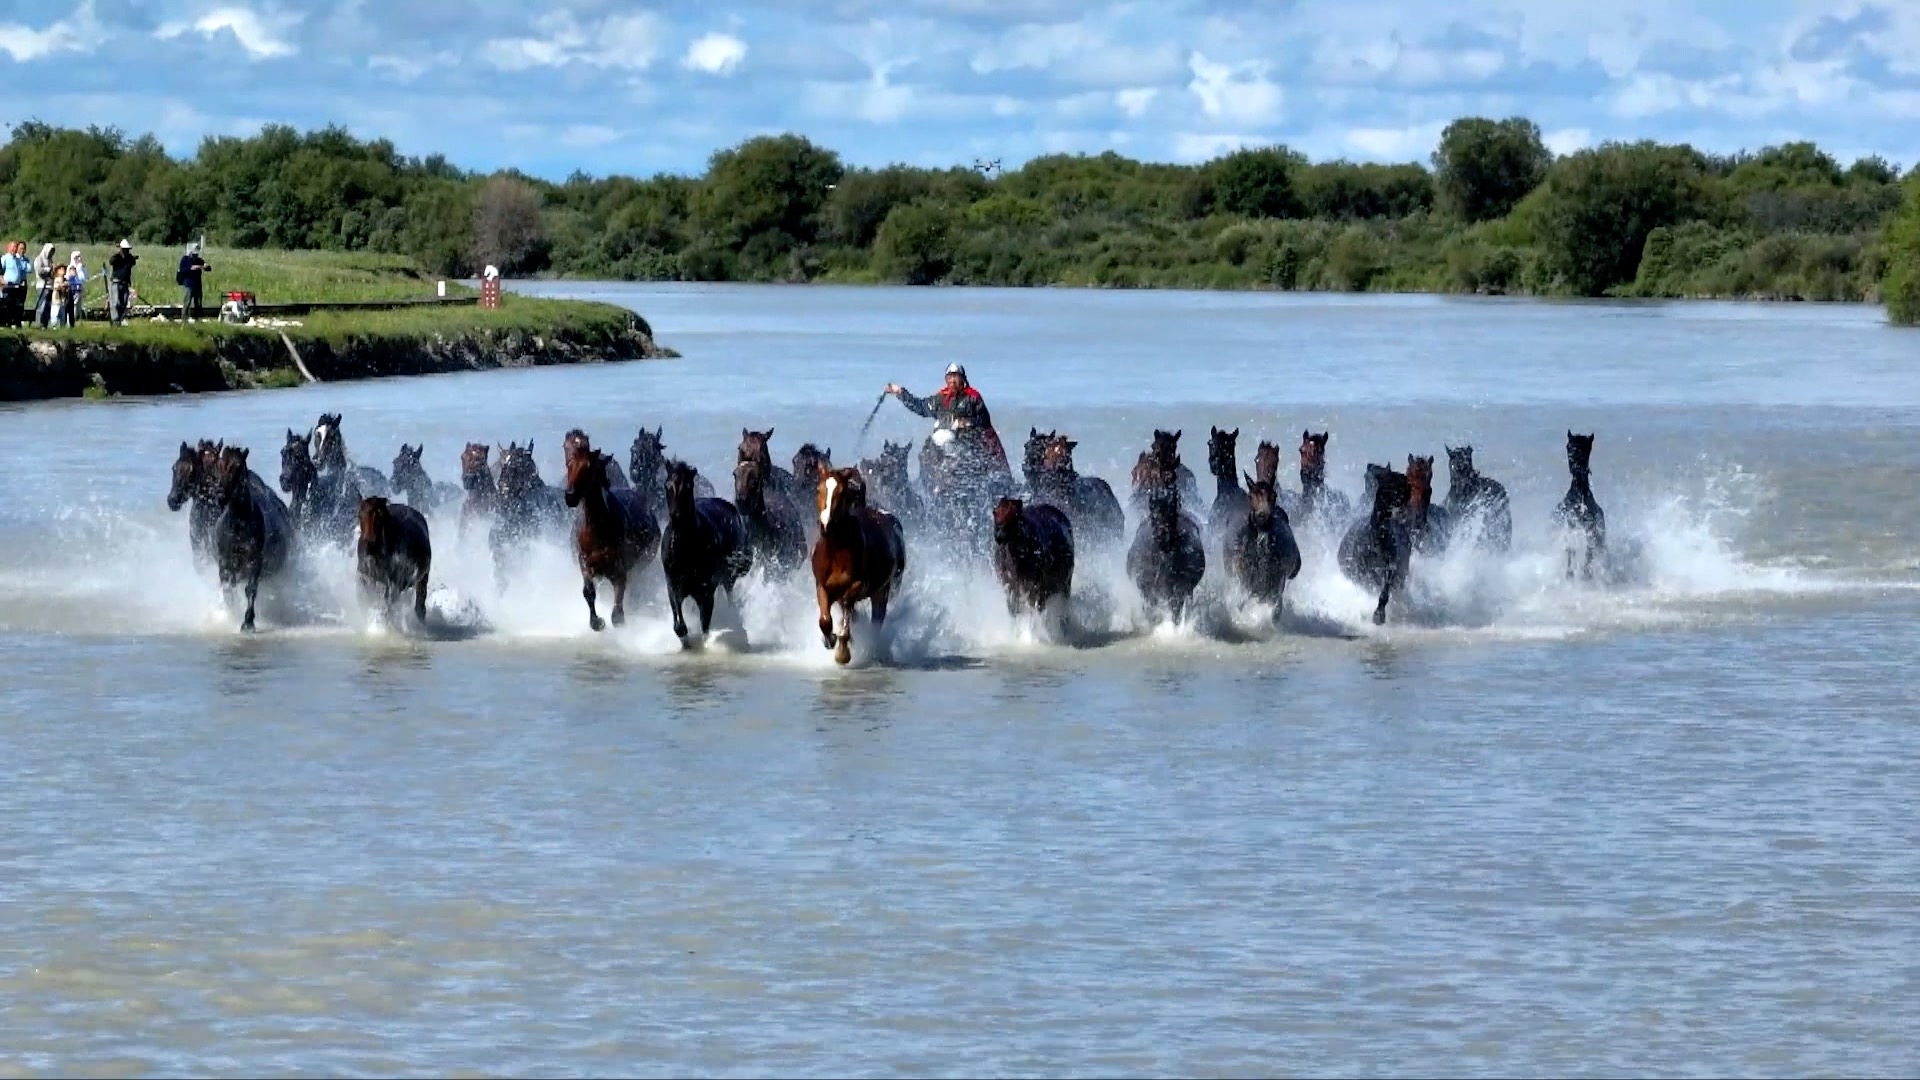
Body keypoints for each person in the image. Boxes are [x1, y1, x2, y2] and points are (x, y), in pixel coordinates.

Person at [884, 362, 1010, 479]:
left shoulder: (973, 397)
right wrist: (899, 392)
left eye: (955, 376)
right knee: (928, 454)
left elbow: (983, 421)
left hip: (967, 445)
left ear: (962, 379)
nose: (952, 380)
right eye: (949, 377)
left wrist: (965, 423)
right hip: (943, 445)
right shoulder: (940, 398)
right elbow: (920, 406)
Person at [177, 242, 210, 322]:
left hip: (197, 284)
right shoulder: (185, 259)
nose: (195, 256)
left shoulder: (199, 260)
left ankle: (197, 318)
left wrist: (206, 266)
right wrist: (191, 268)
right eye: (194, 254)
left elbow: (208, 268)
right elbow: (182, 270)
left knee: (198, 303)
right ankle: (184, 319)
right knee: (187, 302)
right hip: (188, 284)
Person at [108, 239, 137, 325]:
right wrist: (120, 257)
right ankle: (115, 320)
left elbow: (133, 262)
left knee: (123, 303)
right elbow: (111, 261)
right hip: (116, 282)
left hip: (125, 283)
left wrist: (129, 258)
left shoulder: (129, 259)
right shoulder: (116, 258)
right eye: (124, 249)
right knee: (116, 302)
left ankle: (120, 319)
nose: (126, 251)